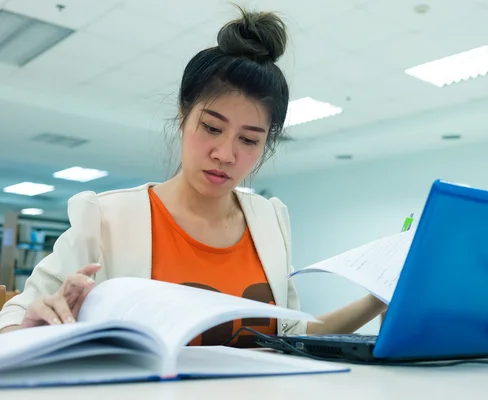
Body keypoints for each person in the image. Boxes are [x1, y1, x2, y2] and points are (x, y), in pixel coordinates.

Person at [0, 7, 387, 346]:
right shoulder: (104, 219)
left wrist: (377, 299)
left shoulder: (270, 221)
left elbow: (287, 339)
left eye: (249, 139)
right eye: (212, 128)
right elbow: (12, 324)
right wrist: (34, 327)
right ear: (184, 115)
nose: (225, 154)